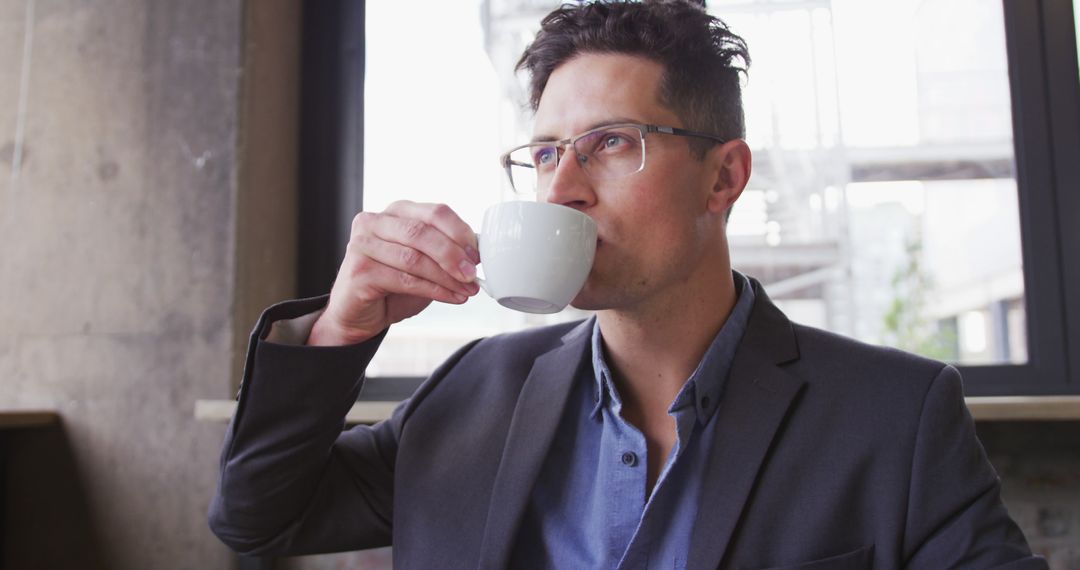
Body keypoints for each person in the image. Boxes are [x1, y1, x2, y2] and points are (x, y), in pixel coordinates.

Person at [209, 1, 1046, 568]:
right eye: (544, 153)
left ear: (723, 180)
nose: (562, 186)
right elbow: (255, 518)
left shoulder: (894, 418)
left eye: (609, 143)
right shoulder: (474, 394)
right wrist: (342, 329)